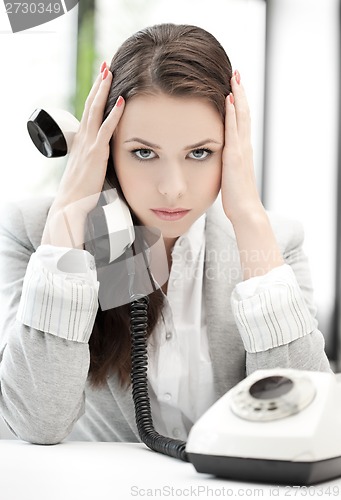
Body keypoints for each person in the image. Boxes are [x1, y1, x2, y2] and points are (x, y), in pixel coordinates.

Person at [0, 23, 331, 445]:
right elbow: (36, 423)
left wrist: (248, 216)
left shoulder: (275, 244)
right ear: (102, 149)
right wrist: (68, 221)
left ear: (232, 150)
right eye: (143, 152)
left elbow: (308, 423)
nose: (172, 187)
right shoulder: (33, 236)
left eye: (199, 152)